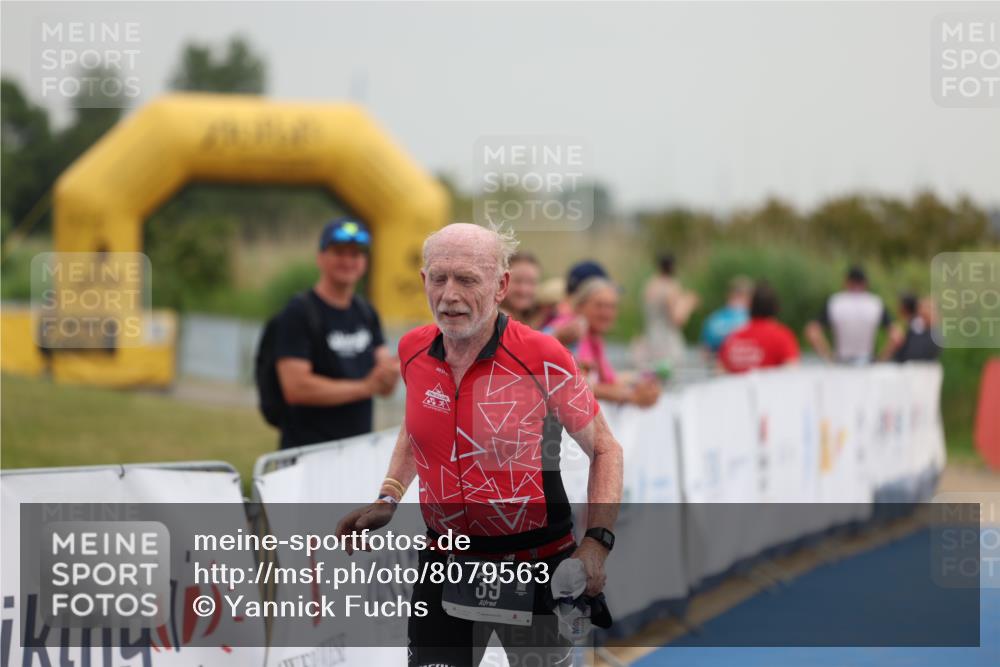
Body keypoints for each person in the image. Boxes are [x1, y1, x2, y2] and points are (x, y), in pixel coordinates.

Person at [335, 223, 624, 666]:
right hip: (445, 560)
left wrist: (596, 544)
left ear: (501, 285)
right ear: (423, 281)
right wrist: (389, 494)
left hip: (535, 563)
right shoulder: (413, 349)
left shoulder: (541, 355)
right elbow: (419, 428)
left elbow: (605, 449)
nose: (449, 295)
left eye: (467, 279)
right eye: (439, 278)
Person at [273, 217, 399, 448]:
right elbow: (296, 388)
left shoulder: (366, 312)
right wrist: (365, 387)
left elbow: (385, 387)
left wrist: (392, 372)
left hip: (356, 452)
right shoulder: (298, 312)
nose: (348, 260)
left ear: (365, 262)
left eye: (356, 254)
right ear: (320, 257)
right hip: (307, 454)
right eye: (339, 252)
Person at [556, 276, 660, 407]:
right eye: (599, 306)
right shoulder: (572, 330)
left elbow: (608, 381)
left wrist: (640, 384)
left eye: (612, 307)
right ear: (580, 307)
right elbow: (579, 385)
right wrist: (631, 396)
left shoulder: (594, 337)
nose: (606, 313)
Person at [805, 265, 892, 364]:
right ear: (866, 283)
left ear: (846, 281)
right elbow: (896, 336)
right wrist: (880, 360)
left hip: (841, 362)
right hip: (867, 362)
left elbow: (812, 332)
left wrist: (828, 358)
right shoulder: (876, 303)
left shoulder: (835, 302)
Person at [719, 282, 800, 374]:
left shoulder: (733, 337)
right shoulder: (782, 336)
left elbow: (721, 372)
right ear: (775, 307)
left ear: (750, 307)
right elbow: (792, 372)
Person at [642, 253, 699, 370]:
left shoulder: (650, 285)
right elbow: (677, 319)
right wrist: (689, 303)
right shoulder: (671, 287)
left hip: (650, 340)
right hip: (668, 343)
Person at [700, 275, 752, 356]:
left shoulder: (713, 318)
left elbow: (705, 350)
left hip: (716, 364)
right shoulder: (751, 318)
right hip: (744, 364)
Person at [882, 293, 941, 362]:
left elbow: (912, 355)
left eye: (928, 308)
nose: (922, 311)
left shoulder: (931, 333)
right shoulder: (916, 328)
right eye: (921, 308)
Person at [499, 251, 541, 326]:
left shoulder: (539, 317)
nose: (523, 290)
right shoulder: (497, 322)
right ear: (502, 282)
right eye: (517, 281)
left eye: (531, 282)